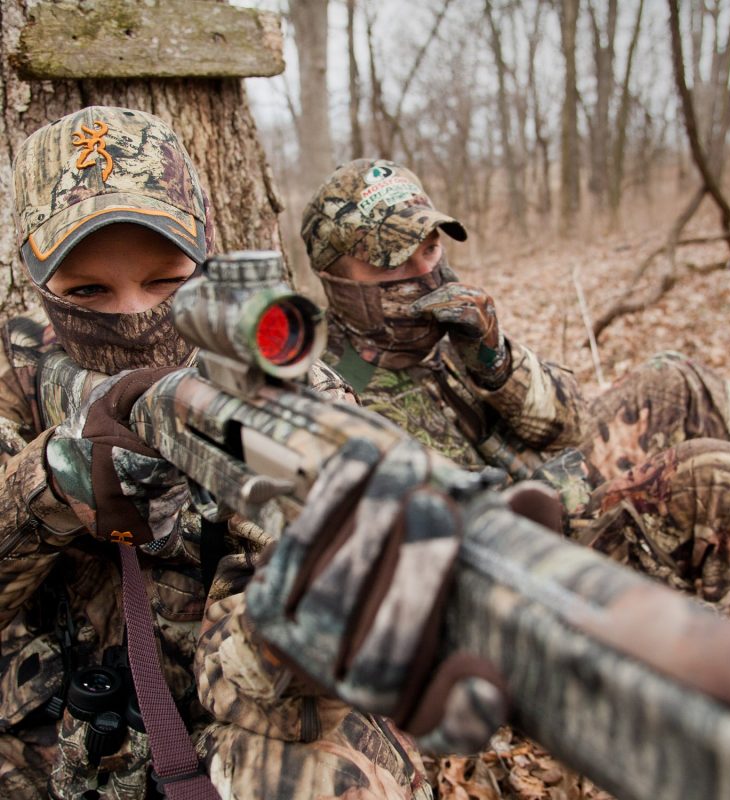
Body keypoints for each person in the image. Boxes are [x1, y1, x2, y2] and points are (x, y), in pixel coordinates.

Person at [0, 108, 433, 799]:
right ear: (34, 278)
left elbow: (274, 689)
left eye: (166, 282)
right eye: (86, 291)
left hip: (215, 731)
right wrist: (52, 484)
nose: (134, 315)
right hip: (48, 718)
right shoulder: (17, 372)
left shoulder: (281, 381)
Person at [300, 158, 730, 618]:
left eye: (430, 247)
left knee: (677, 379)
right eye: (394, 260)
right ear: (334, 278)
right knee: (714, 479)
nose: (426, 274)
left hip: (558, 495)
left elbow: (573, 426)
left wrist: (496, 363)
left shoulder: (450, 328)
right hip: (516, 574)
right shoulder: (331, 388)